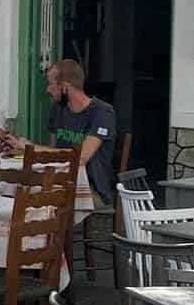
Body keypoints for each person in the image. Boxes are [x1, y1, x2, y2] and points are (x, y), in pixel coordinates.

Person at [15, 57, 117, 201]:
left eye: (50, 84)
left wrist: (32, 148)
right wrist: (19, 148)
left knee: (43, 200)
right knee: (20, 193)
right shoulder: (58, 109)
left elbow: (80, 158)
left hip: (91, 189)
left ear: (64, 87)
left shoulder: (102, 113)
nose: (47, 90)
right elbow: (52, 152)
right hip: (59, 182)